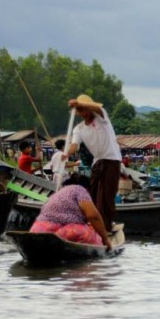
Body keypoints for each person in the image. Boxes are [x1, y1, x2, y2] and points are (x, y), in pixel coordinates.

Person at [67, 94, 122, 232]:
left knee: (107, 195)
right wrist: (66, 154)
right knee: (93, 194)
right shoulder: (78, 129)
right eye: (80, 110)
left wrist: (79, 102)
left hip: (112, 159)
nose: (83, 113)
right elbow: (75, 145)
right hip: (97, 161)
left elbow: (98, 108)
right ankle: (95, 224)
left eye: (84, 109)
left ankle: (106, 226)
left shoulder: (102, 118)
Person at [29, 174, 112, 249]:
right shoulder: (80, 190)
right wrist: (105, 239)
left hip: (37, 230)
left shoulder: (60, 192)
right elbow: (93, 216)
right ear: (87, 188)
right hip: (60, 234)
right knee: (95, 239)